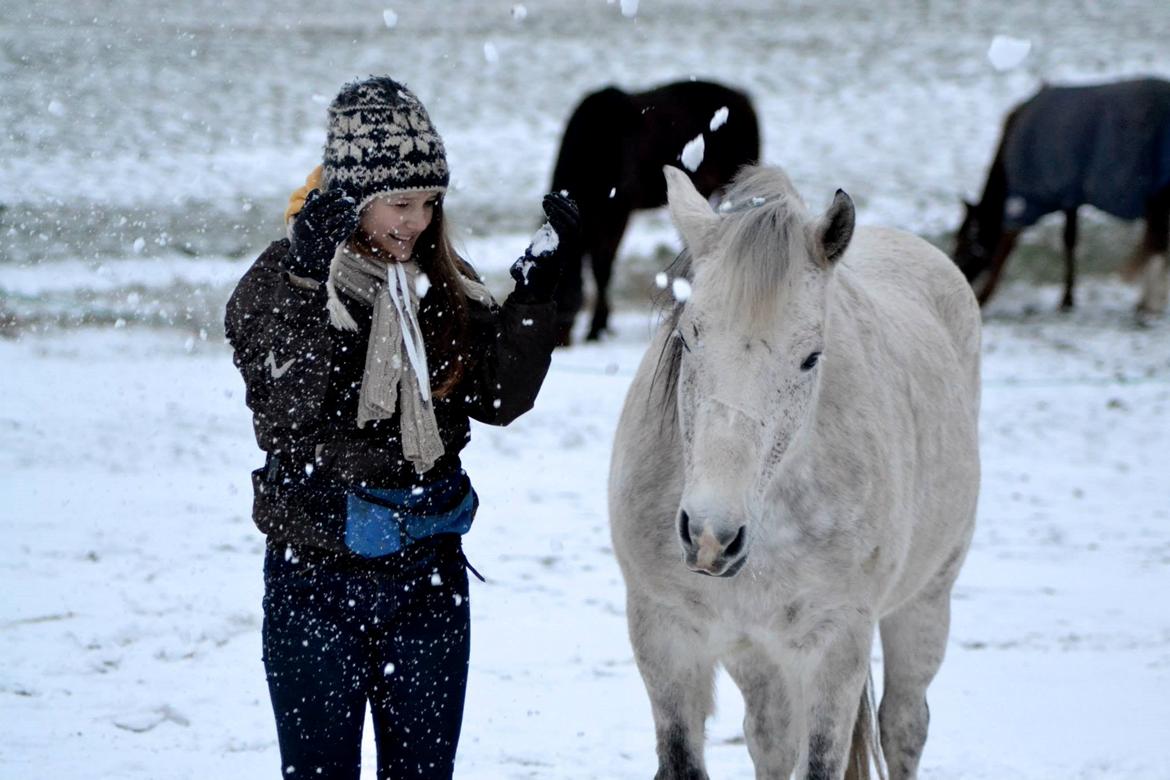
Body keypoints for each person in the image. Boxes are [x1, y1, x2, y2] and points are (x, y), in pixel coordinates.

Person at [224, 75, 581, 779]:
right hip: (314, 581)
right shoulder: (277, 281)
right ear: (353, 197)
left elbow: (500, 396)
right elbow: (283, 414)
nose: (415, 221)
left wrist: (539, 291)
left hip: (429, 583)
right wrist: (303, 281)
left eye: (428, 203)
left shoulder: (441, 284)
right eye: (399, 202)